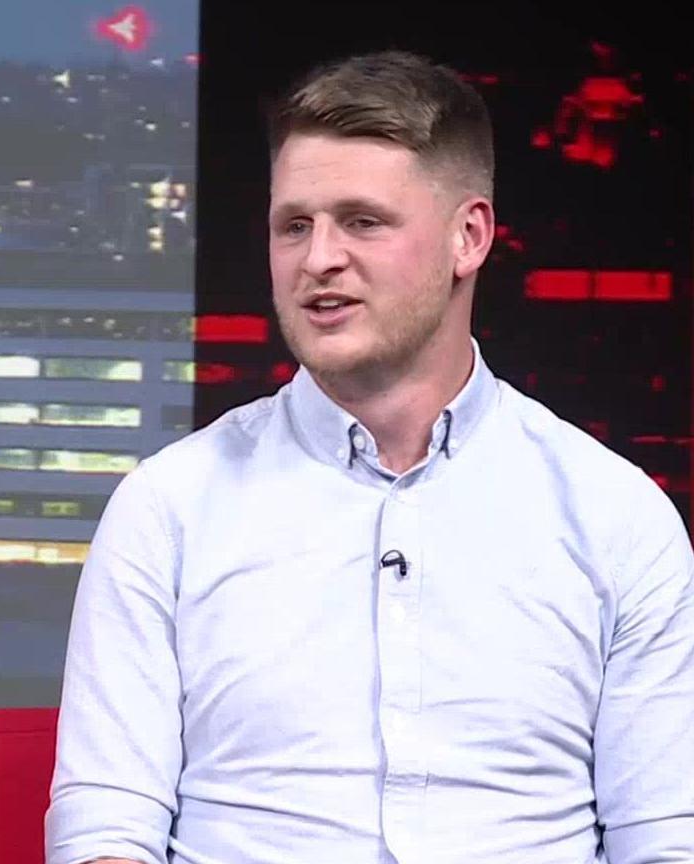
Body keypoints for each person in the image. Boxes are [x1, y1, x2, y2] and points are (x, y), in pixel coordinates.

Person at [46, 50, 694, 864]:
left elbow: (665, 836)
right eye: (294, 225)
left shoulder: (616, 518)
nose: (318, 259)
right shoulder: (168, 506)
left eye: (362, 222)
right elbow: (106, 826)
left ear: (468, 237)